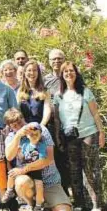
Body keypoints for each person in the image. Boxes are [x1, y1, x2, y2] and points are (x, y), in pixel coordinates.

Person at [4, 108, 72, 211]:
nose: (18, 127)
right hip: (30, 181)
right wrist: (18, 136)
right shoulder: (11, 137)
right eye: (14, 126)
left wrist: (24, 169)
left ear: (23, 118)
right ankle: (31, 205)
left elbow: (49, 159)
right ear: (10, 126)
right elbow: (9, 156)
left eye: (20, 123)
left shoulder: (40, 129)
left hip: (50, 181)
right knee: (21, 182)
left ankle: (48, 205)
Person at [53, 61, 104, 211]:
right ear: (62, 75)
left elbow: (95, 114)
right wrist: (57, 137)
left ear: (76, 73)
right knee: (74, 170)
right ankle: (79, 202)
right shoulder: (58, 95)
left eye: (71, 71)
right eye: (65, 71)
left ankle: (95, 203)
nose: (69, 74)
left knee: (90, 168)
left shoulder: (85, 92)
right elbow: (56, 119)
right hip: (69, 137)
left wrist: (101, 133)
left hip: (88, 133)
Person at [43, 49, 70, 195]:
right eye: (53, 59)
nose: (56, 61)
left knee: (69, 158)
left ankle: (70, 192)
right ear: (49, 61)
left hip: (69, 124)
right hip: (52, 124)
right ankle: (57, 190)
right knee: (56, 157)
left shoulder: (69, 76)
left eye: (59, 58)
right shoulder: (45, 80)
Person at [7, 122, 47, 211]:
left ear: (40, 134)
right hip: (25, 171)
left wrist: (27, 167)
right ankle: (9, 191)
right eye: (31, 134)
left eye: (36, 134)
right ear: (27, 136)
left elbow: (42, 159)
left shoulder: (41, 145)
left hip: (36, 170)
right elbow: (17, 156)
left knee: (39, 185)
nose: (34, 136)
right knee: (11, 174)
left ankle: (38, 205)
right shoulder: (24, 144)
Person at [17, 60, 51, 126]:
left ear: (38, 73)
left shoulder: (45, 91)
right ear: (25, 73)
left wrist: (40, 126)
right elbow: (18, 111)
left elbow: (47, 111)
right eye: (29, 70)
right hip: (24, 127)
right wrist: (25, 125)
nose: (32, 73)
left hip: (41, 127)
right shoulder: (20, 91)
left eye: (35, 70)